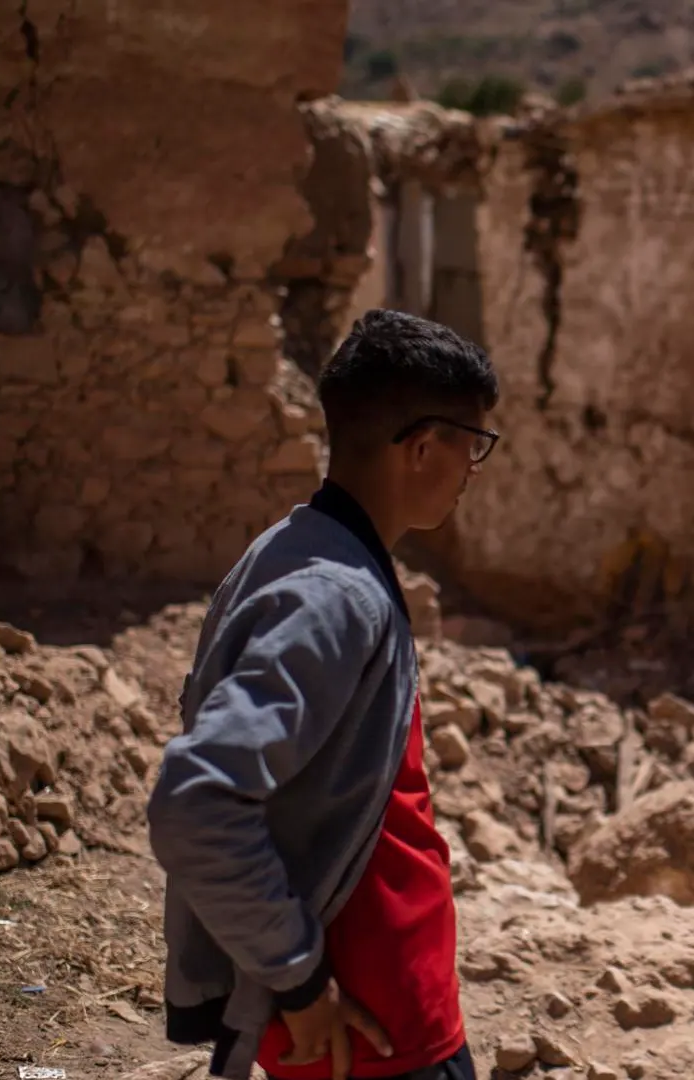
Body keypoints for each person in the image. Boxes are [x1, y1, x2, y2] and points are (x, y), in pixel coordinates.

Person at [148, 309, 500, 1080]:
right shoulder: (336, 594)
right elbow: (196, 799)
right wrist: (300, 980)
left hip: (373, 1012)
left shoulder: (292, 547)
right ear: (422, 447)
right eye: (473, 446)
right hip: (373, 1028)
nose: (474, 468)